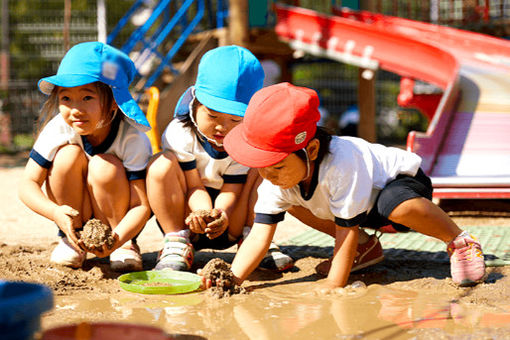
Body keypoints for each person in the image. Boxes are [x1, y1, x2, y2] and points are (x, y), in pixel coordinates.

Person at [219, 82, 486, 291]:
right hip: (361, 208)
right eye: (260, 165)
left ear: (310, 149)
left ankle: (460, 241)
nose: (268, 175)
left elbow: (344, 231)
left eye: (276, 166)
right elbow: (258, 236)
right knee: (292, 203)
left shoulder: (342, 163)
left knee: (393, 204)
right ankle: (365, 249)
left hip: (401, 187)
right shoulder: (278, 178)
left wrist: (333, 286)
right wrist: (231, 278)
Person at [146, 46, 294, 272]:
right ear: (195, 102)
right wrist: (202, 214)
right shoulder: (179, 133)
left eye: (235, 119)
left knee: (264, 164)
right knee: (160, 164)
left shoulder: (247, 140)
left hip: (233, 216)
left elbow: (232, 190)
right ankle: (175, 242)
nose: (221, 127)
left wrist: (221, 215)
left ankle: (255, 238)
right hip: (187, 214)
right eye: (212, 115)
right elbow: (193, 185)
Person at [18, 42, 153, 272]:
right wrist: (55, 212)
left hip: (118, 228)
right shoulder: (59, 128)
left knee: (103, 165)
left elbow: (141, 206)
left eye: (87, 98)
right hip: (76, 214)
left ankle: (126, 248)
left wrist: (118, 238)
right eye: (66, 98)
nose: (75, 110)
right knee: (66, 156)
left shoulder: (132, 139)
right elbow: (27, 184)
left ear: (113, 102)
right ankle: (73, 240)